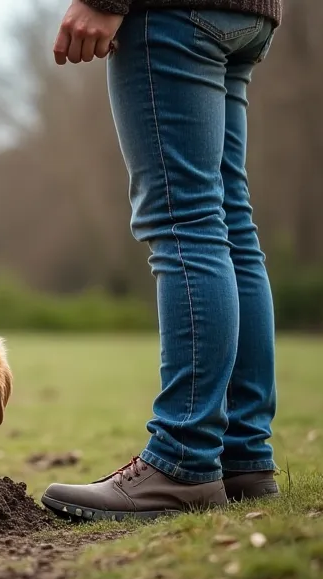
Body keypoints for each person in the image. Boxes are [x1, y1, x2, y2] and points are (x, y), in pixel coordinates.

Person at [41, 0, 283, 521]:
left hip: (174, 13)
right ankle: (243, 456)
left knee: (184, 221)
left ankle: (183, 460)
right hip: (248, 15)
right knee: (229, 220)